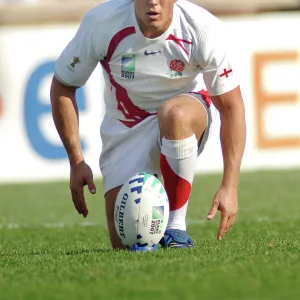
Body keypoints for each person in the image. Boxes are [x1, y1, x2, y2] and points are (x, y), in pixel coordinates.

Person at [50, 0, 246, 250]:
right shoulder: (102, 23)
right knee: (127, 242)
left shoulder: (202, 28)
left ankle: (176, 228)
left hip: (185, 112)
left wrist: (230, 186)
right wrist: (76, 161)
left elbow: (232, 108)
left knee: (174, 115)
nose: (153, 1)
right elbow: (63, 85)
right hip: (126, 128)